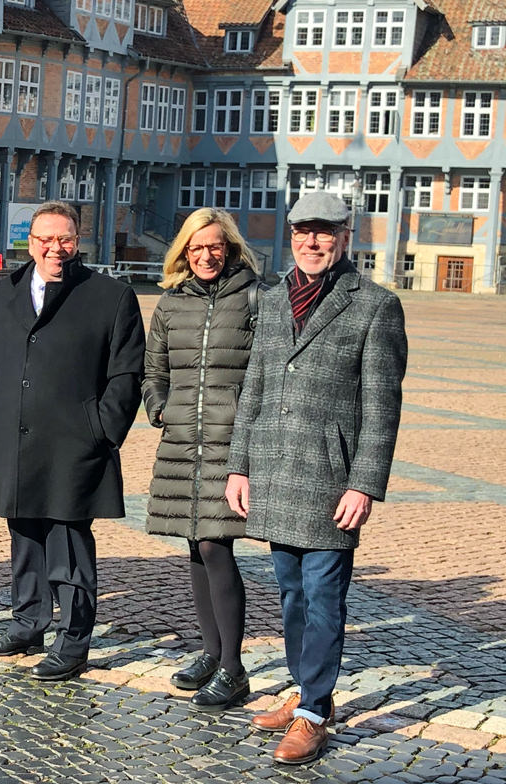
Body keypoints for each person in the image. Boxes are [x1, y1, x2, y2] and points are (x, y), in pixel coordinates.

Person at [225, 191, 407, 764]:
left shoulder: (375, 304)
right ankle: (305, 690)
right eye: (303, 230)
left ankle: (312, 715)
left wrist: (365, 483)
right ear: (291, 234)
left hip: (331, 480)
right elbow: (254, 386)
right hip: (275, 472)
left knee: (325, 598)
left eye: (324, 232)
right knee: (291, 595)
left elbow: (383, 406)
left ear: (345, 236)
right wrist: (239, 465)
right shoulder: (273, 298)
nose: (311, 241)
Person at [0, 201, 145, 681]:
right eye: (45, 239)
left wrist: (101, 429)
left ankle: (73, 640)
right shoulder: (4, 293)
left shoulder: (109, 296)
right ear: (28, 242)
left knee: (68, 542)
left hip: (76, 444)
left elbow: (127, 373)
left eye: (65, 239)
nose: (55, 248)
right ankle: (28, 621)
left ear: (78, 241)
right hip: (13, 439)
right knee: (24, 535)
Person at [142, 207, 263, 710]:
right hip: (181, 442)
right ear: (184, 253)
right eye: (196, 248)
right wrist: (160, 410)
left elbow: (265, 373)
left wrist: (248, 435)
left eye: (214, 246)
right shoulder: (171, 304)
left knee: (216, 545)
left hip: (229, 443)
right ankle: (211, 654)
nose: (206, 255)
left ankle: (234, 668)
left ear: (230, 247)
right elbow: (153, 374)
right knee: (194, 545)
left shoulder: (256, 297)